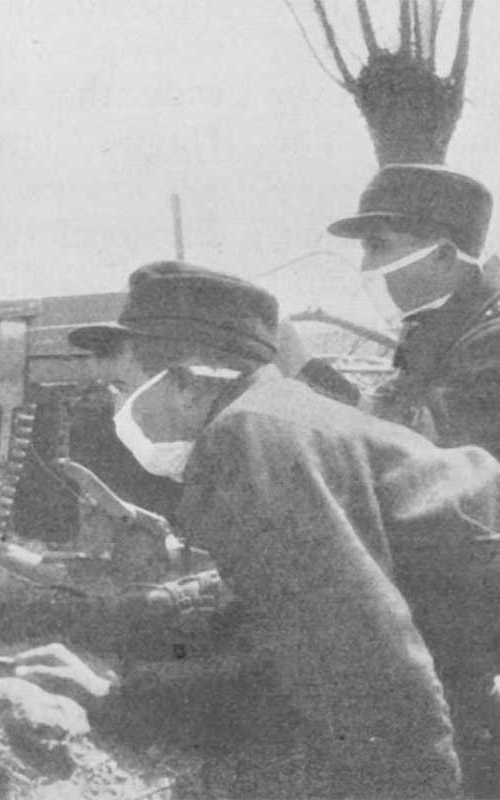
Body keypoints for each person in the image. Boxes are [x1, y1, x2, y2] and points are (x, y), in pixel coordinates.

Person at [69, 260, 500, 799]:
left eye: (120, 386)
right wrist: (126, 680)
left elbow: (369, 669)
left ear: (185, 384)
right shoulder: (271, 415)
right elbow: (276, 614)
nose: (115, 408)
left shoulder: (249, 436)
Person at [311, 163, 500, 458]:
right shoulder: (434, 325)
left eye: (378, 246)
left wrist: (305, 370)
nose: (366, 267)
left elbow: (426, 443)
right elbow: (391, 403)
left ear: (443, 256)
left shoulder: (492, 339)